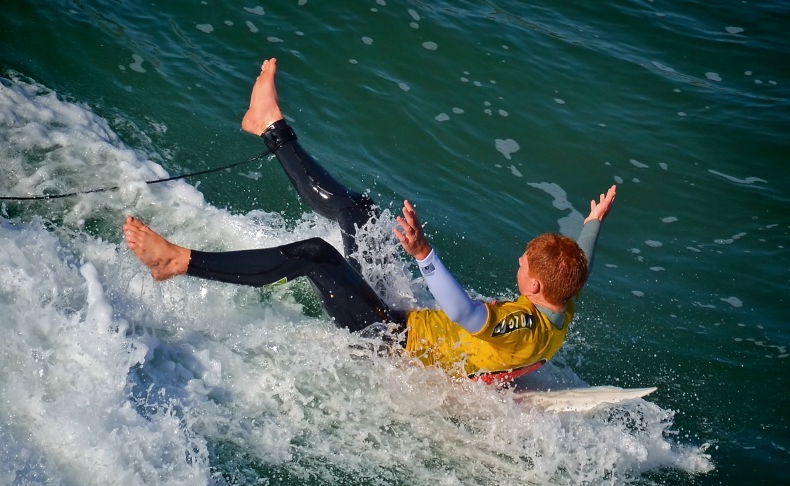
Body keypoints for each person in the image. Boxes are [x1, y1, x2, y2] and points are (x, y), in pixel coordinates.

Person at [123, 58, 616, 384]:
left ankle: (177, 261)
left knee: (315, 254)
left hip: (388, 344)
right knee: (356, 210)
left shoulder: (520, 324)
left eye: (525, 262)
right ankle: (269, 124)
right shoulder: (561, 302)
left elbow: (467, 314)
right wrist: (590, 225)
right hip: (400, 317)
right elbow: (580, 265)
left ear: (533, 288)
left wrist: (424, 256)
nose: (520, 260)